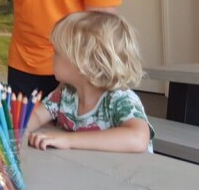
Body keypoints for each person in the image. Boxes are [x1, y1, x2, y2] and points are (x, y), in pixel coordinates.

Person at [26, 11, 154, 153]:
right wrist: (17, 130)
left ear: (83, 63)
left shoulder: (120, 99)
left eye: (57, 52)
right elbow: (37, 116)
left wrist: (68, 140)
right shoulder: (65, 94)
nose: (52, 57)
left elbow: (138, 138)